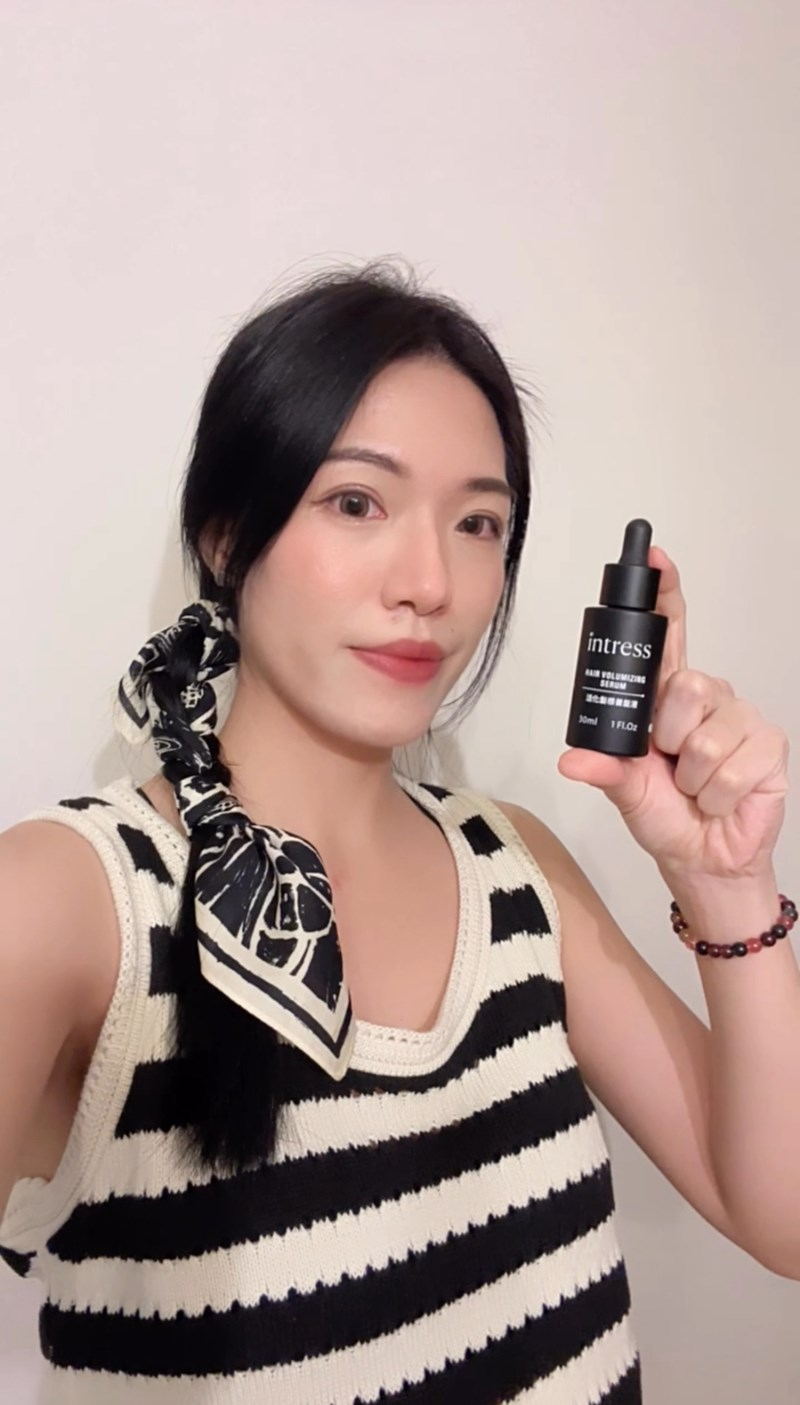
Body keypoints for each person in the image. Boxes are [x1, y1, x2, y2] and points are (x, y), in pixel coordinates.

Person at [0, 261, 797, 1405]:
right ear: (224, 533)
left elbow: (782, 1221)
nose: (429, 582)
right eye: (356, 502)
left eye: (477, 522)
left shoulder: (515, 867)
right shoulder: (68, 903)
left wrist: (724, 882)